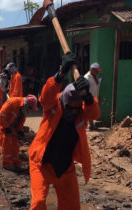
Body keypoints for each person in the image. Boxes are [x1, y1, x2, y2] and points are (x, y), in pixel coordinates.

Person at [28, 53, 101, 210]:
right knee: (39, 203)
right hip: (42, 163)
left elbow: (94, 113)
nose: (74, 111)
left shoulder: (80, 111)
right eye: (71, 107)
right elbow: (45, 98)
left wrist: (87, 97)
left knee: (72, 206)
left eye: (77, 108)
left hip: (65, 166)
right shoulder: (53, 106)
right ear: (64, 101)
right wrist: (60, 74)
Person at [0, 94, 38, 172]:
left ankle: (15, 163)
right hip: (2, 124)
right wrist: (6, 127)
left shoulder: (23, 109)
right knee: (7, 143)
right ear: (27, 104)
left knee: (15, 145)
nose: (30, 110)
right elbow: (2, 116)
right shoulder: (12, 102)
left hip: (12, 126)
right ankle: (7, 164)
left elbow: (20, 121)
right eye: (31, 108)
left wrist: (20, 131)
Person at [84, 62, 102, 130]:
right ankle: (90, 125)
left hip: (94, 97)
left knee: (92, 111)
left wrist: (99, 96)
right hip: (89, 97)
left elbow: (96, 88)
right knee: (90, 111)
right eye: (96, 71)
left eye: (98, 71)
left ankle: (91, 125)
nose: (97, 72)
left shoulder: (95, 77)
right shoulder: (87, 78)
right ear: (92, 70)